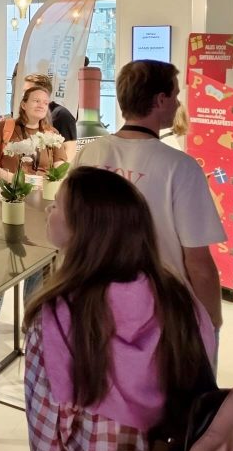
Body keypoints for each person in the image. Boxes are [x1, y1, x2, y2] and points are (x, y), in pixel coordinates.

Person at [24, 166, 216, 451]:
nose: (49, 208)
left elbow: (46, 427)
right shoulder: (177, 298)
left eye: (58, 205)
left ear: (83, 231)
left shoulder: (57, 316)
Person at [74, 60, 224, 333]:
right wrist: (212, 322)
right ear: (160, 100)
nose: (178, 104)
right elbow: (199, 263)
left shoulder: (89, 154)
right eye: (175, 95)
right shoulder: (181, 167)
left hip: (96, 304)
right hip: (160, 314)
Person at [0, 86, 66, 183]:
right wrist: (16, 180)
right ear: (23, 105)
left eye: (45, 103)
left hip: (43, 190)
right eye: (36, 101)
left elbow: (60, 168)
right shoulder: (4, 127)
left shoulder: (52, 133)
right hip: (12, 190)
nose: (41, 105)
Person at [23, 73, 77, 161]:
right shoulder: (30, 115)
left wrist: (59, 170)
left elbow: (70, 151)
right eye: (24, 91)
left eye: (28, 91)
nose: (24, 95)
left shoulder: (62, 115)